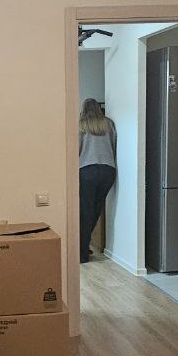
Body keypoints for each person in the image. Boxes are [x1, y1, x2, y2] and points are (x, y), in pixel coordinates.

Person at [79, 98, 117, 263]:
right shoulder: (109, 124)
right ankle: (85, 245)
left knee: (85, 212)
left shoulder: (81, 125)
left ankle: (81, 253)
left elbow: (76, 149)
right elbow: (113, 145)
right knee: (96, 210)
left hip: (87, 170)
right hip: (108, 170)